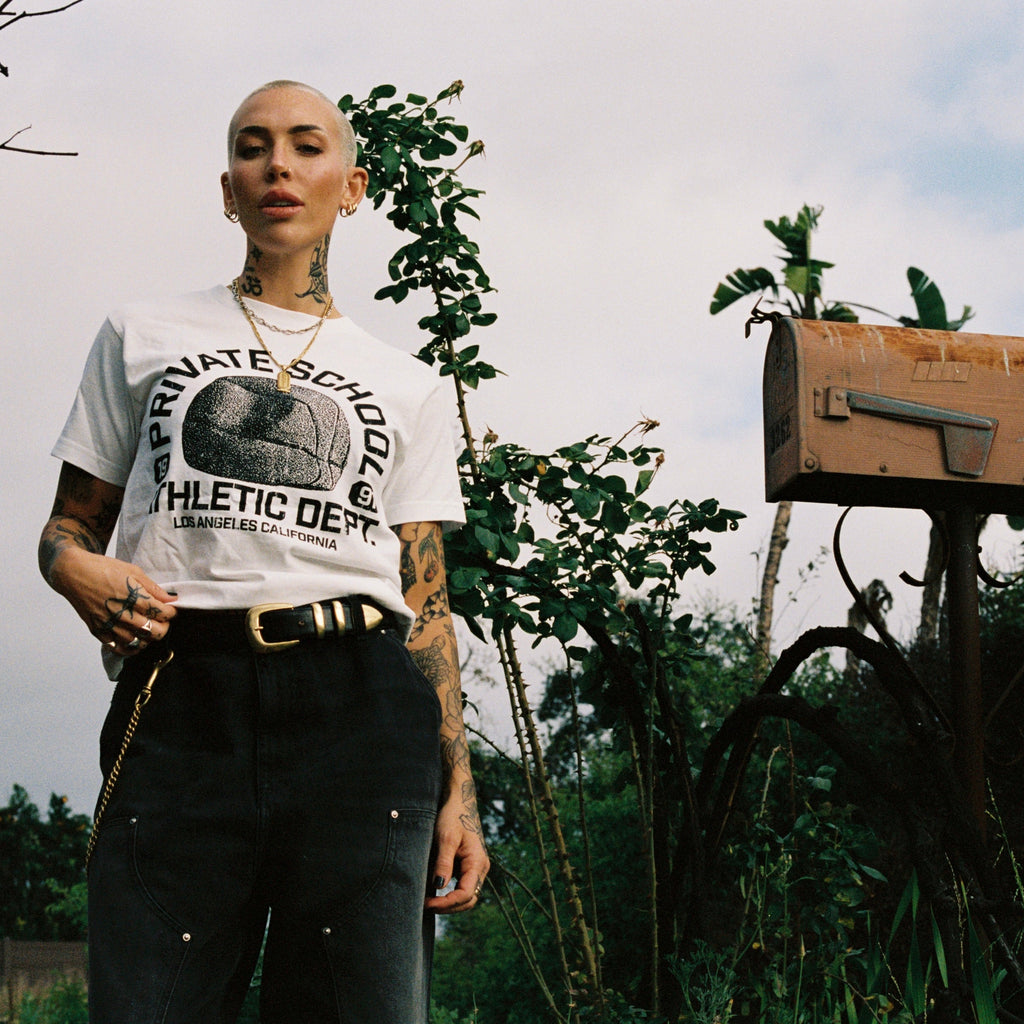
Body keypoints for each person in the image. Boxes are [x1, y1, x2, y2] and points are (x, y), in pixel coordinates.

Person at [38, 80, 488, 1024]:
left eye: (306, 145)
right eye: (253, 147)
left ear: (352, 187)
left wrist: (460, 791)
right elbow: (68, 529)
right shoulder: (142, 335)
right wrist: (73, 569)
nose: (278, 164)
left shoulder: (406, 384)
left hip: (363, 709)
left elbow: (427, 600)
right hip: (181, 698)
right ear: (228, 188)